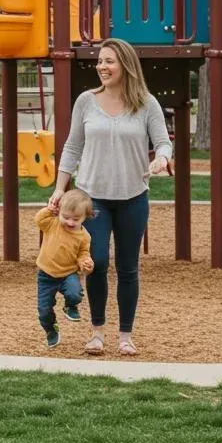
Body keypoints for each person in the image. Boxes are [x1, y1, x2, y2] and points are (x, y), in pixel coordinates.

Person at [50, 38, 173, 357]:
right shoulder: (86, 102)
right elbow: (72, 147)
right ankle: (97, 333)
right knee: (98, 262)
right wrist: (60, 188)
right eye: (100, 61)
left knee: (129, 268)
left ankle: (125, 336)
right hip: (93, 199)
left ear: (126, 65)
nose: (102, 67)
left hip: (133, 196)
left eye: (109, 62)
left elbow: (163, 143)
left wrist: (161, 159)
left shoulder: (147, 104)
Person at [35, 189, 94, 349]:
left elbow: (83, 253)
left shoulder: (84, 236)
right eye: (66, 217)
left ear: (85, 217)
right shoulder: (52, 224)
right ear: (59, 212)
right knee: (44, 309)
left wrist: (85, 262)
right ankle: (50, 329)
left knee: (75, 293)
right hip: (46, 275)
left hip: (68, 273)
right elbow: (39, 220)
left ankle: (70, 305)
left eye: (76, 219)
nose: (70, 222)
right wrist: (49, 210)